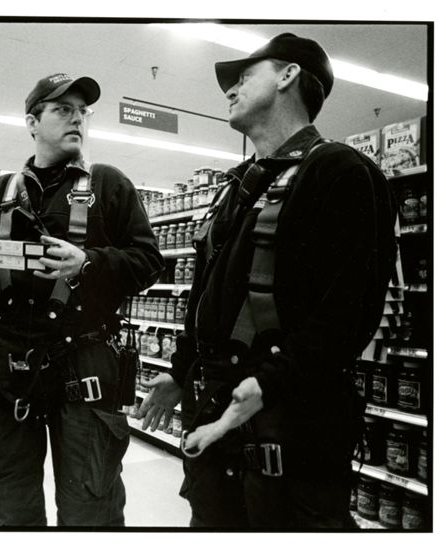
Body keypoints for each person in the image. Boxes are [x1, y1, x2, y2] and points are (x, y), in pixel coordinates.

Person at [138, 33, 397, 528]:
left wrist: (269, 381)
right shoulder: (238, 184)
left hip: (291, 445)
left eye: (244, 76)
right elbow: (209, 292)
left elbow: (350, 309)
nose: (229, 90)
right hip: (217, 434)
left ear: (288, 75)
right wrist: (181, 369)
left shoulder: (341, 171)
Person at [0, 73, 164, 526]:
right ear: (32, 121)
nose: (78, 120)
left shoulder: (109, 184)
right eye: (63, 110)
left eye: (83, 112)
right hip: (8, 371)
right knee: (6, 506)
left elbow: (148, 262)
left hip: (83, 369)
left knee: (91, 507)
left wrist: (87, 262)